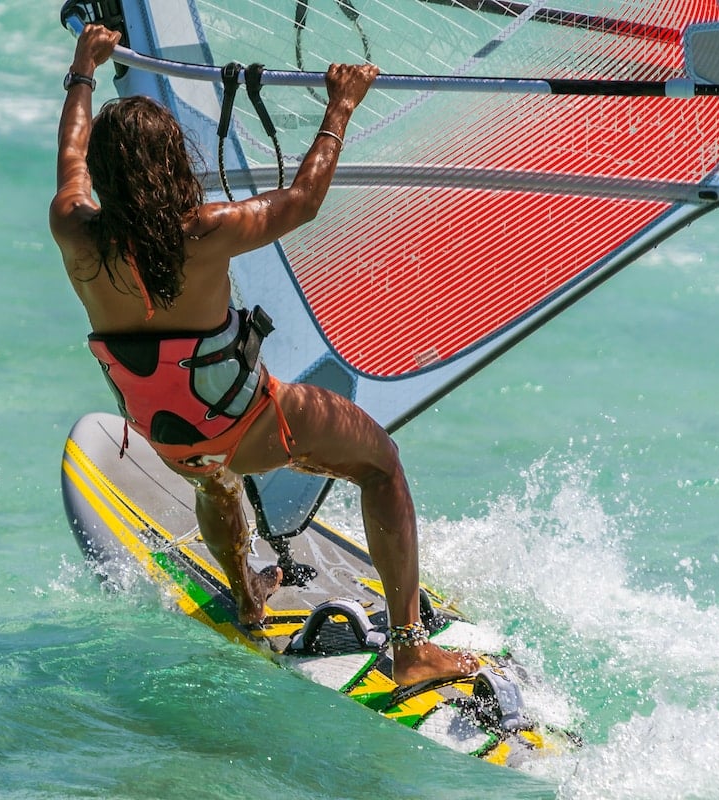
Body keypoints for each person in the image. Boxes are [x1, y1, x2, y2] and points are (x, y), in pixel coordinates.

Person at [50, 24, 477, 686]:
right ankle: (412, 651)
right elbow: (302, 202)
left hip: (170, 439)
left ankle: (248, 592)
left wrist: (84, 67)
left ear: (106, 174)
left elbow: (70, 152)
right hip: (254, 425)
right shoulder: (206, 233)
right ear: (170, 165)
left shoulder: (74, 232)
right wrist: (340, 106)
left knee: (211, 477)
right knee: (380, 467)